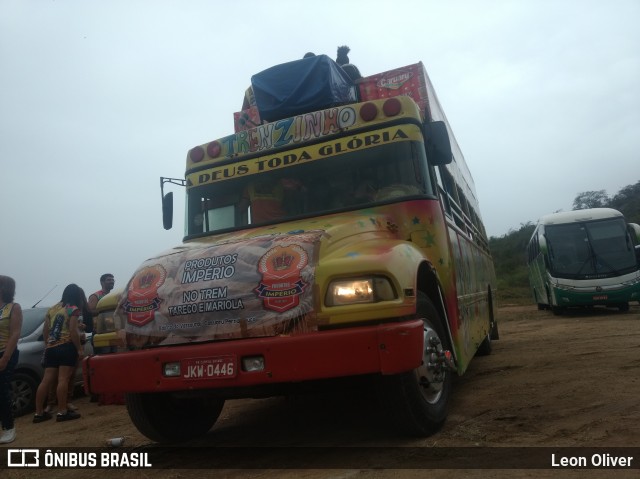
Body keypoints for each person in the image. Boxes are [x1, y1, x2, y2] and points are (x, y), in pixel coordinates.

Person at [33, 284, 86, 423]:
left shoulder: (53, 309)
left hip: (51, 347)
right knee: (63, 380)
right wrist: (79, 349)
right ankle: (62, 412)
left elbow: (45, 330)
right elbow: (73, 331)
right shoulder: (73, 309)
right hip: (66, 346)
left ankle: (38, 413)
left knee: (46, 380)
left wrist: (48, 345)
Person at [0, 276, 22, 443]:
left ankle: (9, 428)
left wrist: (5, 357)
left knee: (2, 390)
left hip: (6, 352)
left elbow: (15, 333)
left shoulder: (13, 308)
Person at [87, 273, 115, 355]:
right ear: (102, 282)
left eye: (113, 280)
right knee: (103, 359)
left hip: (113, 331)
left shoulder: (112, 296)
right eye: (109, 280)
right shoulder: (95, 296)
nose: (112, 281)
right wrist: (106, 311)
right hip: (100, 333)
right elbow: (89, 311)